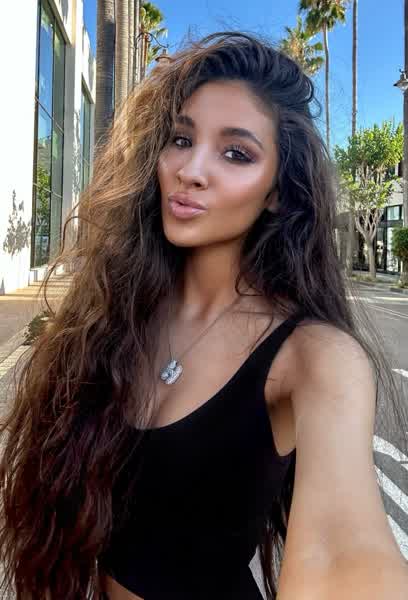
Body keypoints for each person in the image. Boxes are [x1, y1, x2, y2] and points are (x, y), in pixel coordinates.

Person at [0, 32, 407, 600]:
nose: (190, 169)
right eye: (181, 139)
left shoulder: (315, 358)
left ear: (277, 192)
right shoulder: (114, 314)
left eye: (236, 153)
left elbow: (344, 557)